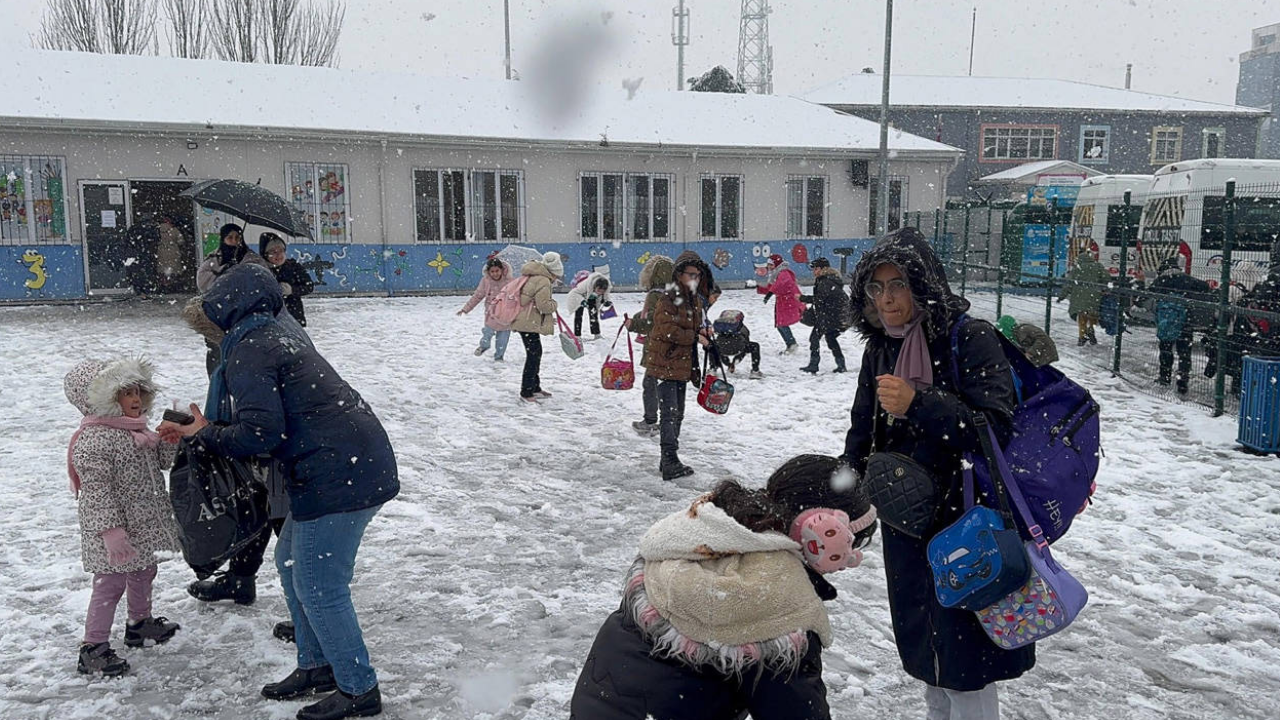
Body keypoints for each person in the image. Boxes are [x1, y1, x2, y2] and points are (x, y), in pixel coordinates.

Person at [159, 264, 398, 720]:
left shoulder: (251, 348)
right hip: (349, 462)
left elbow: (261, 434)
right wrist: (207, 428)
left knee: (319, 584)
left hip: (338, 474)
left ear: (224, 308)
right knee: (291, 562)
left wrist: (207, 435)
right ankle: (316, 665)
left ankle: (358, 688)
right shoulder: (273, 335)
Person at [842, 227, 1032, 720]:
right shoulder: (880, 348)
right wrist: (844, 491)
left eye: (898, 285)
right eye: (876, 288)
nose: (886, 299)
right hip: (906, 522)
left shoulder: (969, 338)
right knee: (928, 651)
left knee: (965, 660)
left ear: (922, 285)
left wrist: (919, 403)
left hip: (966, 522)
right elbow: (863, 428)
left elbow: (994, 430)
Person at [569, 454, 878, 720]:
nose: (847, 560)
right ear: (822, 531)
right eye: (848, 545)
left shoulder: (698, 539)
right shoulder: (782, 605)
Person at [64, 357, 182, 677]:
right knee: (110, 584)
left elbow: (160, 461)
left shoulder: (137, 429)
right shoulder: (95, 439)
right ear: (102, 399)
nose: (135, 400)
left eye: (138, 392)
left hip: (141, 524)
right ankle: (93, 647)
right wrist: (110, 532)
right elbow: (96, 492)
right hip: (113, 531)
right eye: (125, 394)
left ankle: (139, 625)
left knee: (145, 569)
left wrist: (170, 441)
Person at [643, 251, 709, 480]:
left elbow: (690, 326)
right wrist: (694, 336)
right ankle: (669, 459)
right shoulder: (669, 298)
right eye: (691, 275)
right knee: (670, 413)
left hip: (682, 363)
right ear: (679, 275)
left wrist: (702, 332)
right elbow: (665, 330)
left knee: (678, 413)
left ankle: (668, 459)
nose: (695, 279)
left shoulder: (693, 299)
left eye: (698, 275)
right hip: (665, 362)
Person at [196, 223, 268, 375]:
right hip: (218, 315)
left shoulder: (252, 259)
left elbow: (262, 279)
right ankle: (217, 383)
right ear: (223, 239)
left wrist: (241, 275)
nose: (234, 241)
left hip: (245, 313)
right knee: (217, 352)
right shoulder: (213, 259)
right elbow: (203, 281)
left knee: (244, 351)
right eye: (230, 238)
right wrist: (225, 277)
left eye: (237, 237)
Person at [627, 254, 675, 437]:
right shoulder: (675, 294)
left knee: (650, 384)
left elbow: (654, 321)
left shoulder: (656, 294)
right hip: (673, 347)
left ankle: (650, 421)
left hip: (657, 347)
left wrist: (634, 325)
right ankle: (668, 420)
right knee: (667, 385)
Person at [1149, 257, 1212, 394]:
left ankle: (1164, 377)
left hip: (1166, 322)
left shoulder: (1160, 280)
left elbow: (1145, 296)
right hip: (1185, 321)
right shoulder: (1187, 279)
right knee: (1184, 352)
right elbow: (1205, 287)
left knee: (1166, 350)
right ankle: (1182, 380)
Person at [510, 251, 562, 403]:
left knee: (535, 353)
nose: (557, 279)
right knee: (533, 355)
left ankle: (535, 387)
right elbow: (543, 306)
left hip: (526, 320)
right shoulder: (543, 280)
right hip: (527, 322)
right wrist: (554, 304)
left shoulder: (534, 276)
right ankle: (526, 391)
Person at [458, 257, 514, 362]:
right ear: (488, 272)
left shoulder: (510, 281)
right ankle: (484, 346)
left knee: (502, 339)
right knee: (487, 333)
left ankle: (499, 357)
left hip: (506, 315)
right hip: (491, 314)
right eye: (492, 271)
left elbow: (517, 297)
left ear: (502, 270)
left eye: (497, 271)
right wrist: (466, 309)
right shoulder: (486, 281)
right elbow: (477, 296)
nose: (495, 274)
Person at [799, 257, 848, 373]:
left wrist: (802, 298)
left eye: (816, 268)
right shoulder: (827, 279)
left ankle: (814, 365)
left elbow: (819, 299)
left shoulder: (825, 281)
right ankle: (841, 365)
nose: (813, 271)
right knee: (830, 338)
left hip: (832, 316)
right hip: (834, 315)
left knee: (815, 338)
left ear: (823, 269)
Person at [259, 232, 315, 326]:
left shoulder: (293, 267)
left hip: (293, 317)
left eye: (281, 250)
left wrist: (292, 290)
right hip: (270, 318)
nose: (278, 255)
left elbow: (309, 286)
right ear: (265, 254)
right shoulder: (261, 270)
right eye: (273, 252)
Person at [1058, 252, 1109, 346]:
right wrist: (1102, 286)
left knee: (1082, 317)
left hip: (1079, 298)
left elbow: (1069, 284)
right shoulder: (1098, 266)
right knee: (1092, 315)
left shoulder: (1077, 269)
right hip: (1094, 297)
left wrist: (1061, 296)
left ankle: (1082, 336)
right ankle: (1091, 330)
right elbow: (1106, 278)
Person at [758, 253, 804, 353]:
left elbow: (780, 284)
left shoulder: (784, 272)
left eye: (771, 265)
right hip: (783, 302)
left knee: (782, 324)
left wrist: (769, 295)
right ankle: (790, 344)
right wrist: (758, 288)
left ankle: (791, 344)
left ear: (777, 264)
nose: (769, 267)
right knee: (780, 324)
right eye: (768, 265)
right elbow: (771, 288)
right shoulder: (775, 274)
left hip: (789, 301)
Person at [567, 265, 613, 340]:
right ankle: (577, 335)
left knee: (593, 315)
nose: (600, 293)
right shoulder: (585, 284)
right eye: (599, 291)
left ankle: (596, 334)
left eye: (602, 292)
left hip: (591, 297)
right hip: (579, 296)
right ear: (595, 287)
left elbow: (606, 295)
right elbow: (574, 293)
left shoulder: (606, 285)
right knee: (578, 316)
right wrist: (582, 301)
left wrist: (607, 301)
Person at [155, 215, 189, 293]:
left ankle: (163, 286)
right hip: (173, 252)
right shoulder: (174, 230)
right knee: (173, 271)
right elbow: (181, 241)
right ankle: (172, 286)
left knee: (162, 271)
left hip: (161, 252)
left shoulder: (157, 230)